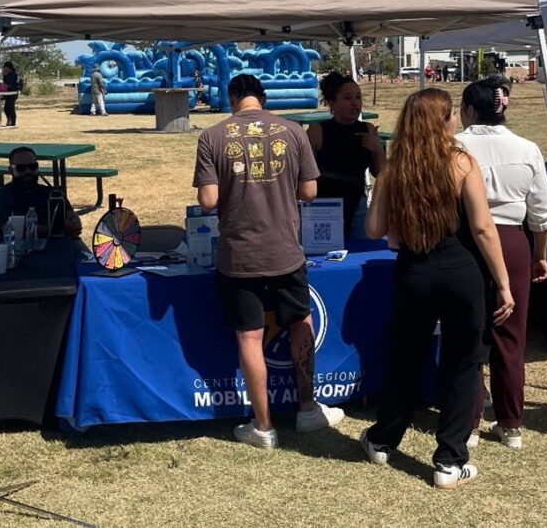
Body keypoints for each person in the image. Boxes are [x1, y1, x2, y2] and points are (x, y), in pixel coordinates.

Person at [360, 88, 514, 489]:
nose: (455, 121)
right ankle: (449, 459)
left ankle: (382, 439)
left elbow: (373, 229)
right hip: (461, 270)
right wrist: (503, 283)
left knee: (406, 357)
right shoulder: (461, 162)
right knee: (462, 363)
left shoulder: (396, 169)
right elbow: (483, 228)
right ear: (442, 121)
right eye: (451, 115)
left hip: (414, 270)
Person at [192, 73, 344, 449]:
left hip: (239, 254)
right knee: (300, 322)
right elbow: (310, 191)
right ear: (263, 98)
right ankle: (307, 409)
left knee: (249, 335)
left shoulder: (212, 136)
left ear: (232, 98)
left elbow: (208, 201)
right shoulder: (292, 131)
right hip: (285, 250)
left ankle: (263, 427)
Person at [456, 78, 547, 450]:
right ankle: (511, 422)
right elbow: (541, 213)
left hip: (466, 239)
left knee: (468, 332)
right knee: (511, 335)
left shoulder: (456, 145)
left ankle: (468, 420)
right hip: (513, 241)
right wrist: (540, 253)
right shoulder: (527, 148)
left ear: (469, 109)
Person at [307, 72, 385, 239]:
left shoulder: (368, 130)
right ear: (332, 103)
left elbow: (380, 173)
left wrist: (377, 149)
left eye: (358, 97)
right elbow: (306, 174)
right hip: (324, 205)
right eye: (348, 98)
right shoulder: (317, 131)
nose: (355, 103)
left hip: (357, 203)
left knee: (362, 248)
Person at [0, 146, 83, 240]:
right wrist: (52, 230)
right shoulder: (2, 196)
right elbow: (7, 229)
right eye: (21, 168)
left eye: (32, 167)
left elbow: (69, 214)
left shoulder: (50, 193)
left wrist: (74, 222)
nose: (28, 171)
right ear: (11, 170)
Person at [1, 61, 20, 127]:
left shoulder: (12, 74)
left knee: (10, 108)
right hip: (8, 94)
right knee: (7, 108)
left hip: (12, 93)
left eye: (5, 67)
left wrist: (2, 85)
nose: (3, 68)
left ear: (8, 68)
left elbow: (9, 84)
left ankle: (12, 122)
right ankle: (10, 120)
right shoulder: (6, 74)